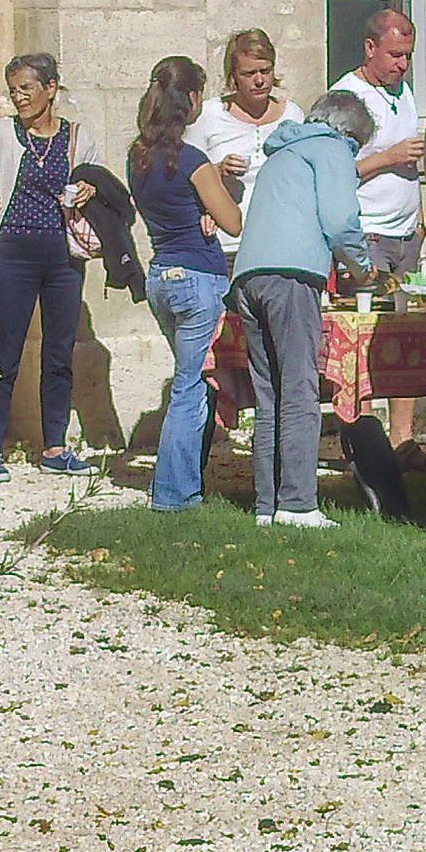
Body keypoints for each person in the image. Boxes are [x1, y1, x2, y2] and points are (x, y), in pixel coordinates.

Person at [230, 91, 375, 528]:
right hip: (291, 275)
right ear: (347, 132)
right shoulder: (331, 148)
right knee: (299, 390)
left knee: (269, 395)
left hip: (248, 275)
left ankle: (267, 504)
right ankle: (297, 505)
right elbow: (340, 221)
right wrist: (362, 268)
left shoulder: (282, 152)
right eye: (357, 145)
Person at [0, 53, 102, 483]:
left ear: (50, 88)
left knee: (59, 351)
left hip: (63, 255)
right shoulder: (0, 133)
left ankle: (55, 447)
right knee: (3, 351)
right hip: (13, 251)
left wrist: (89, 190)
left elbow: (95, 181)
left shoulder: (77, 137)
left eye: (26, 88)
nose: (19, 97)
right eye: (13, 90)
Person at [127, 56, 246, 513]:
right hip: (198, 276)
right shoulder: (194, 162)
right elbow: (232, 222)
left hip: (161, 273)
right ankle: (175, 493)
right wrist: (216, 188)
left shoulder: (137, 156)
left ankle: (181, 483)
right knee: (190, 388)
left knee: (188, 380)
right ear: (192, 99)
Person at [328, 9, 426, 467]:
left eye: (407, 55)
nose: (401, 64)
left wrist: (420, 215)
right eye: (394, 55)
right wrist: (388, 157)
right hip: (367, 233)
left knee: (403, 338)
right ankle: (364, 444)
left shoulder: (403, 92)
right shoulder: (346, 97)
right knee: (365, 338)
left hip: (405, 231)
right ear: (370, 47)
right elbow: (334, 170)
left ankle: (402, 440)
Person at [185, 29, 291, 254]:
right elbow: (185, 177)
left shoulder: (292, 116)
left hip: (280, 242)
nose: (259, 80)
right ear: (233, 76)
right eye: (249, 73)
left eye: (265, 71)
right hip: (226, 243)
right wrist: (218, 170)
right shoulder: (209, 115)